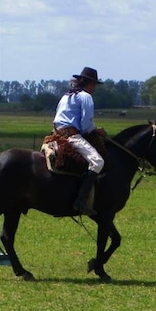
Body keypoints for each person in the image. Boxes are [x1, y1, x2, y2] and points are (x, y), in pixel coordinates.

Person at [53, 67, 106, 217]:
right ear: (89, 83)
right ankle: (81, 200)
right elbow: (86, 123)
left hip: (57, 133)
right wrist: (97, 131)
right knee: (97, 162)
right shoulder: (86, 97)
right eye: (94, 84)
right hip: (72, 136)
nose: (94, 88)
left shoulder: (66, 95)